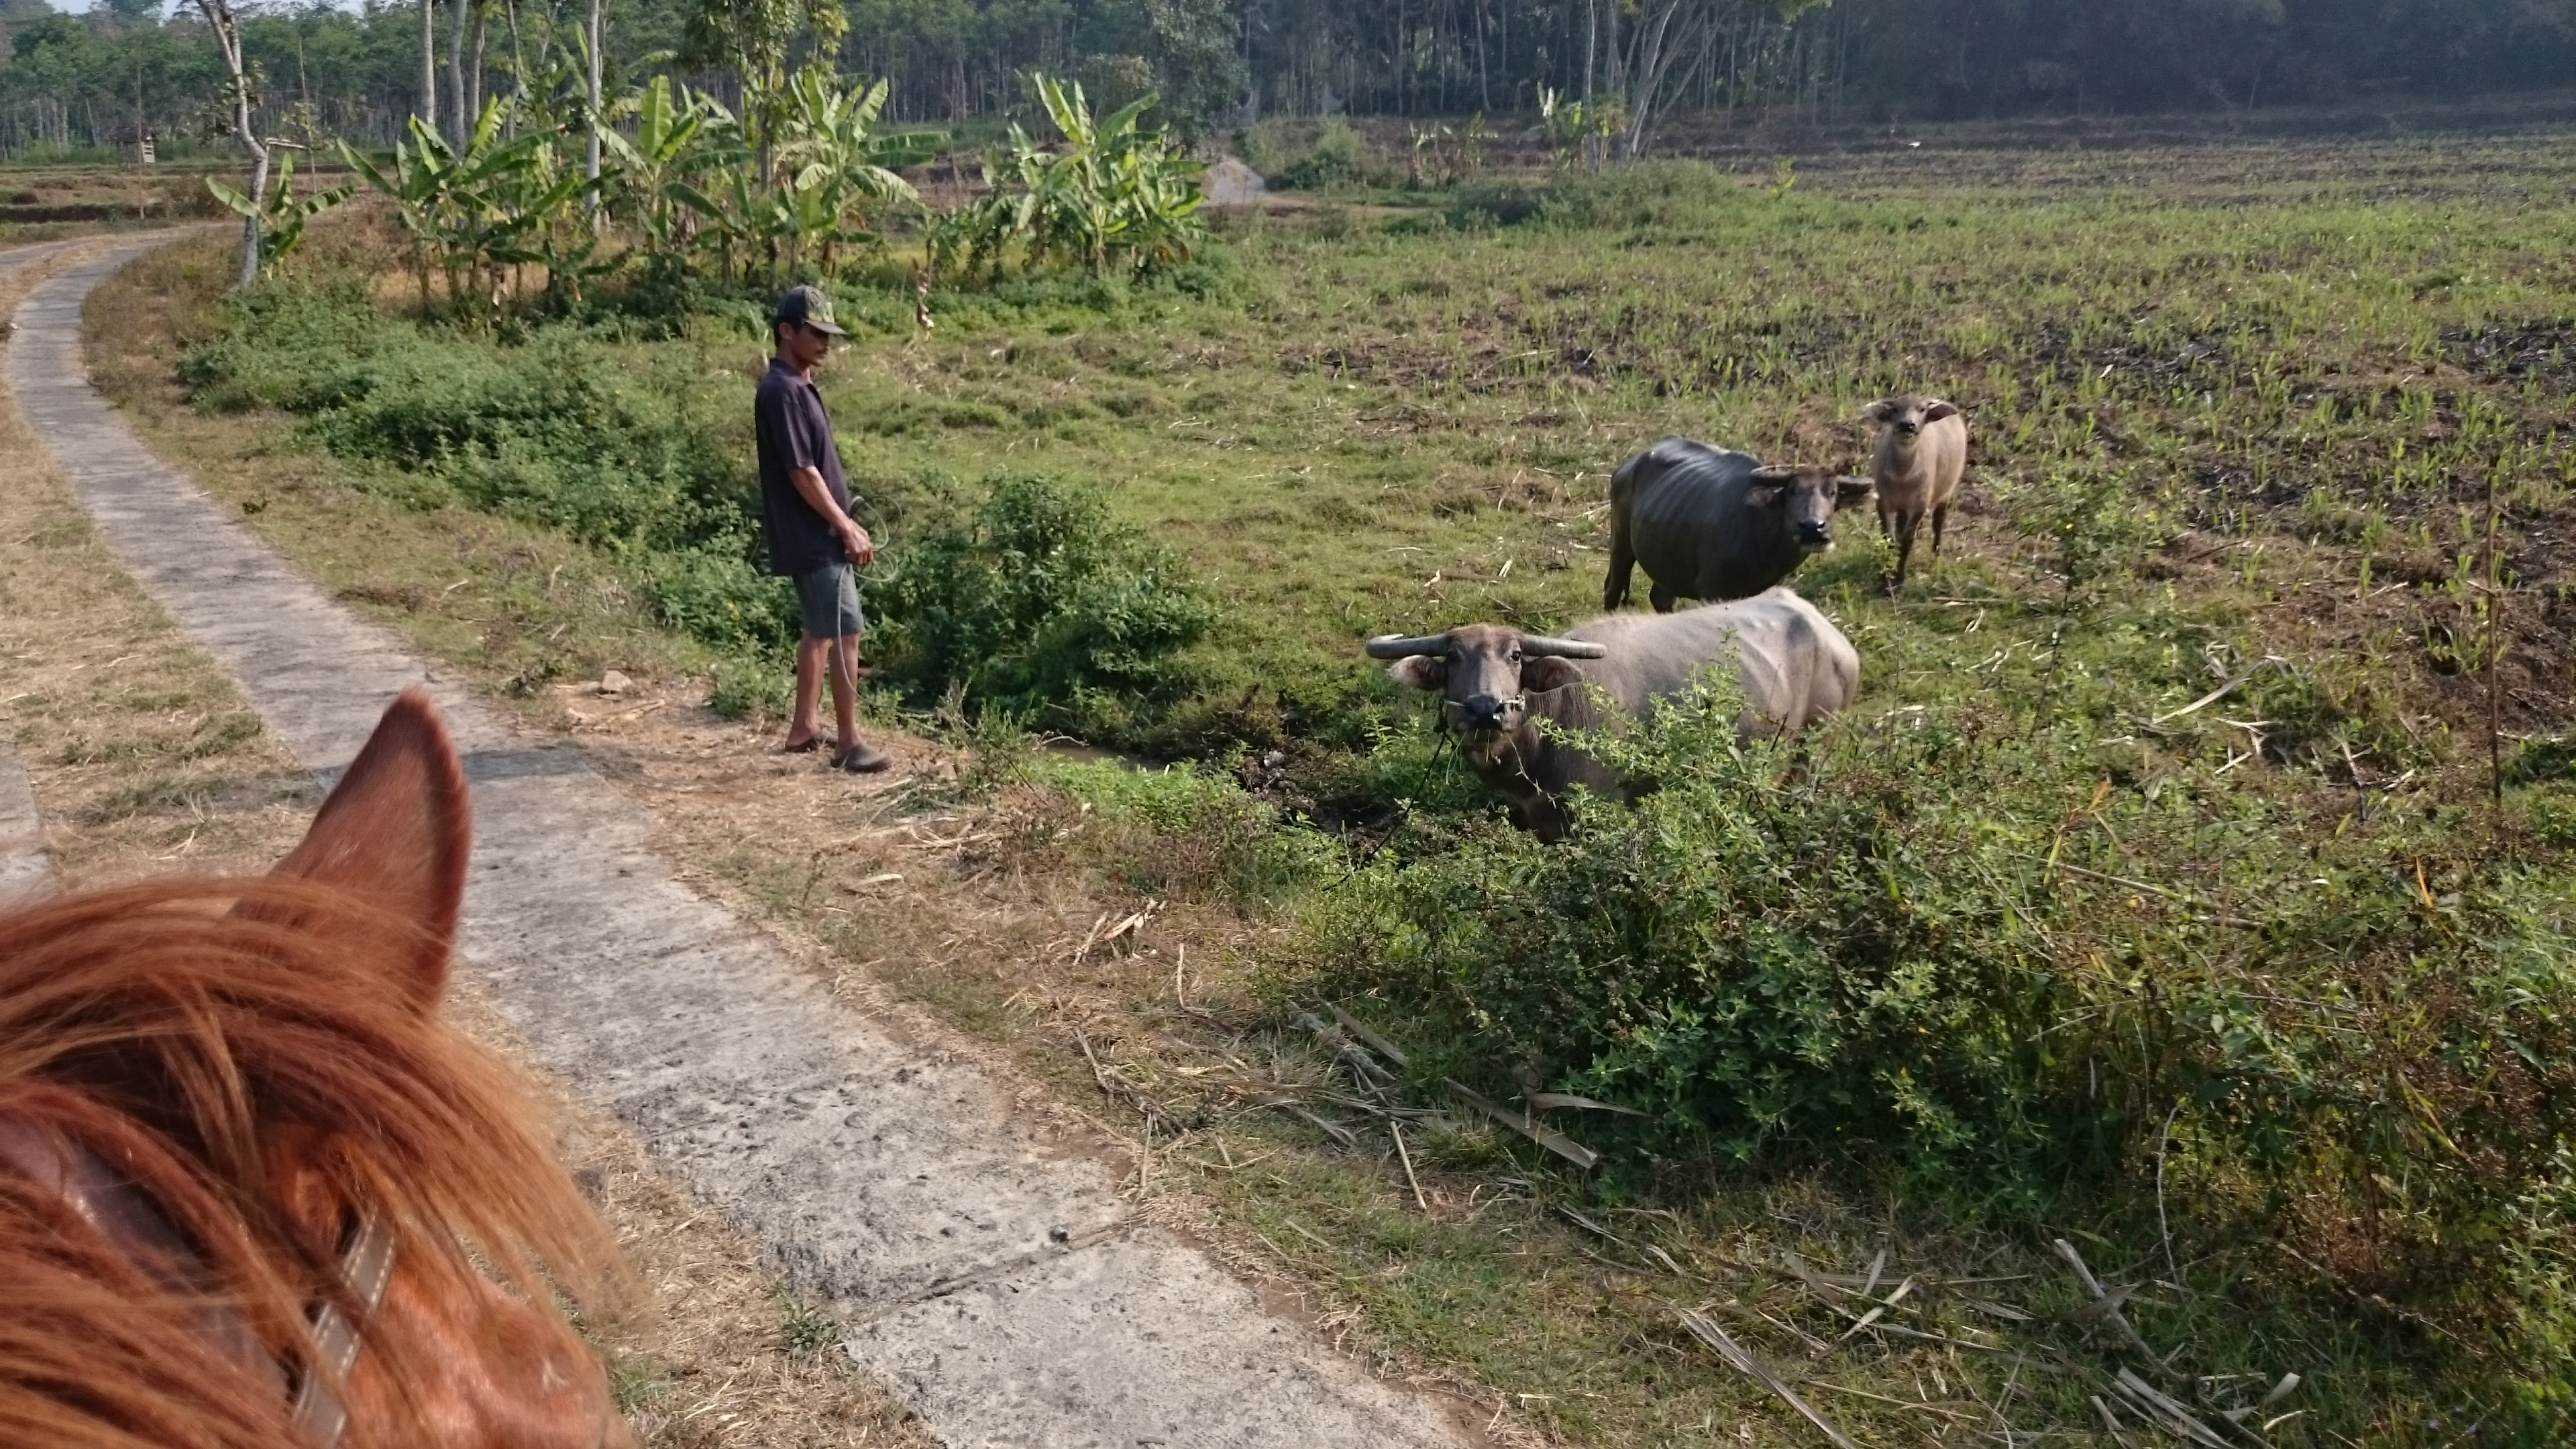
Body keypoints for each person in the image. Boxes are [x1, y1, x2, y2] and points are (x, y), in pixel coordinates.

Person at [755, 285, 890, 772]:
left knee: (820, 632)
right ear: (786, 332)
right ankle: (849, 744)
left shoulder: (796, 385)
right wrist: (846, 526)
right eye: (815, 333)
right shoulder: (784, 391)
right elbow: (801, 471)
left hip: (817, 533)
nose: (824, 342)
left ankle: (804, 728)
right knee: (846, 631)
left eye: (828, 334)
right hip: (815, 536)